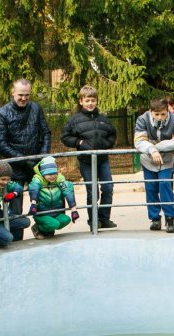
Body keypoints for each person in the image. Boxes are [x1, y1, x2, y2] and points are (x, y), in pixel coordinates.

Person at [61, 85, 118, 230]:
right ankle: (93, 220)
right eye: (87, 100)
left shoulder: (103, 119)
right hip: (86, 161)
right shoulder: (75, 120)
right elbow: (65, 136)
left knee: (108, 187)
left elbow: (112, 134)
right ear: (81, 101)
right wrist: (78, 142)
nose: (90, 103)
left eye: (93, 100)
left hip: (102, 159)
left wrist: (106, 144)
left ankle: (104, 218)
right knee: (92, 191)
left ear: (96, 101)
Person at [136, 97, 174, 233]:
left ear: (168, 110)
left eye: (163, 114)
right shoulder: (142, 119)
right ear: (150, 111)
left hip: (166, 160)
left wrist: (159, 146)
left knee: (165, 185)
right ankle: (155, 219)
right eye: (156, 114)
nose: (160, 117)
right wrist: (152, 150)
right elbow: (139, 141)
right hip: (148, 159)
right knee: (151, 188)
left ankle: (170, 218)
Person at [0, 78, 51, 192]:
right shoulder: (2, 113)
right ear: (13, 92)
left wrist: (42, 155)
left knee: (43, 203)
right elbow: (0, 144)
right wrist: (23, 160)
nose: (24, 98)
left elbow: (46, 133)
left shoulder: (36, 108)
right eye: (20, 95)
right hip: (13, 167)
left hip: (36, 164)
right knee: (15, 205)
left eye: (27, 95)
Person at [27, 157, 76, 239]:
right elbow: (34, 188)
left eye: (54, 173)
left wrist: (74, 210)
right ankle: (38, 228)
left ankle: (48, 229)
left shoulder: (59, 179)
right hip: (42, 213)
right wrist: (33, 204)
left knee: (66, 220)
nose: (52, 176)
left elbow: (67, 191)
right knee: (54, 224)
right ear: (43, 174)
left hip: (56, 212)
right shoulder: (37, 179)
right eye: (49, 174)